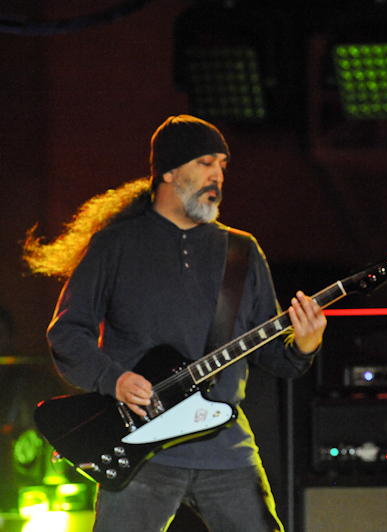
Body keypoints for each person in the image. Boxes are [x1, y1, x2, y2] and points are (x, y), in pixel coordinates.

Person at [23, 115, 326, 532]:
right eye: (205, 162)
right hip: (140, 451)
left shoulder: (240, 250)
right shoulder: (116, 244)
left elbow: (276, 357)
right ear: (168, 171)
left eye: (222, 163)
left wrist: (305, 343)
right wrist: (114, 380)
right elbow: (66, 333)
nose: (218, 174)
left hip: (226, 449)